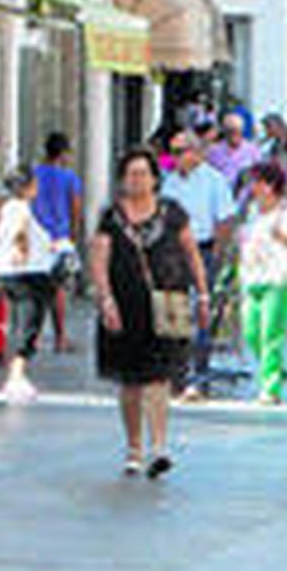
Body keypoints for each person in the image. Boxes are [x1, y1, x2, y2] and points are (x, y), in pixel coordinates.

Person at [90, 148, 209, 478]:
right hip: (126, 307)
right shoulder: (111, 217)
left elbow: (191, 253)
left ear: (156, 178)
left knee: (159, 376)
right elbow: (99, 259)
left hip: (168, 303)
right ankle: (133, 448)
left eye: (143, 174)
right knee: (130, 380)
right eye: (131, 174)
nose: (137, 180)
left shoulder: (173, 213)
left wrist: (203, 294)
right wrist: (106, 299)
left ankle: (159, 446)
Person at [162, 131, 236, 398]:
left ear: (197, 152)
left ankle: (198, 375)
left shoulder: (214, 181)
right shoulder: (169, 182)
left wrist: (217, 254)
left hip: (203, 250)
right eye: (173, 151)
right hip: (172, 253)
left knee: (202, 312)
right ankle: (176, 374)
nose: (177, 157)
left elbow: (226, 220)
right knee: (172, 311)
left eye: (182, 150)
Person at [238, 161, 287, 405]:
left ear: (271, 186)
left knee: (271, 335)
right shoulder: (251, 212)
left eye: (258, 182)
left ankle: (270, 388)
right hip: (252, 279)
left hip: (278, 280)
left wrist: (283, 237)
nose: (254, 188)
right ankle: (277, 369)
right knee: (251, 333)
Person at [0, 166, 56, 404]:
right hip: (27, 272)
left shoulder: (7, 208)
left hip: (12, 271)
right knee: (28, 323)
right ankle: (16, 376)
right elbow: (20, 233)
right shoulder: (20, 208)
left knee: (19, 322)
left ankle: (16, 374)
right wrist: (22, 251)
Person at [33, 131, 83, 352]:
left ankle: (32, 337)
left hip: (36, 238)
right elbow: (75, 208)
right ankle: (60, 337)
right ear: (63, 153)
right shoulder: (70, 178)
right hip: (59, 238)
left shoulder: (33, 175)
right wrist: (74, 235)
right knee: (58, 290)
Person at [207, 110, 262, 189]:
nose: (233, 134)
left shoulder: (253, 151)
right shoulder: (214, 151)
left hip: (245, 197)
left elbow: (258, 175)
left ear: (241, 130)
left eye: (236, 130)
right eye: (230, 130)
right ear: (225, 131)